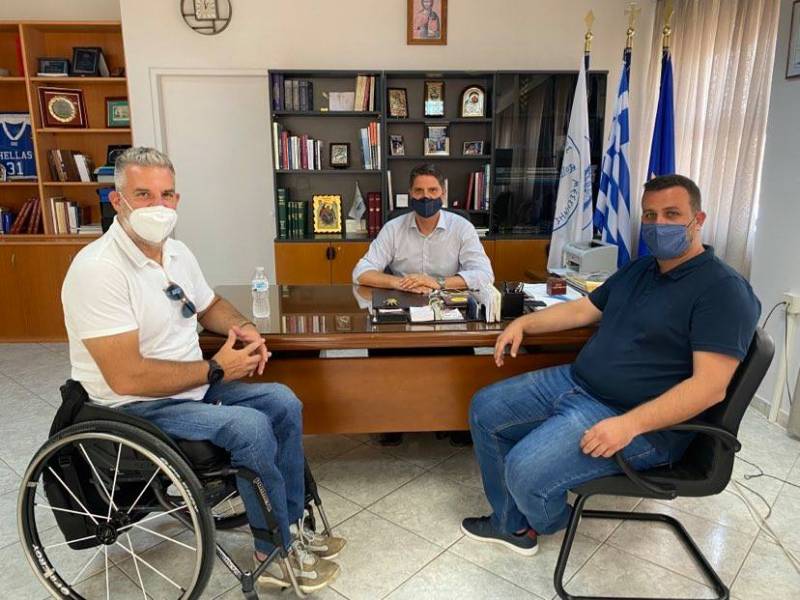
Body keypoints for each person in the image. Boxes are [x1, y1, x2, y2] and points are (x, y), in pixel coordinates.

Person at [61, 147, 344, 593]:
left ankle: (290, 526)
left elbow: (209, 306)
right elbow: (127, 377)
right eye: (143, 194)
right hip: (134, 406)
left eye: (167, 194)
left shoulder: (175, 252)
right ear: (118, 200)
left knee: (283, 401)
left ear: (177, 198)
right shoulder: (98, 270)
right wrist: (215, 369)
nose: (158, 205)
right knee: (250, 427)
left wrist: (245, 329)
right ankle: (271, 552)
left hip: (190, 389)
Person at [461, 174, 760, 555]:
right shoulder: (640, 269)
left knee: (524, 469)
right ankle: (510, 525)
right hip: (577, 382)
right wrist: (523, 323)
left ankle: (549, 520)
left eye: (672, 214)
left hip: (636, 420)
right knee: (485, 408)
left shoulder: (723, 290)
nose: (658, 224)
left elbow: (709, 387)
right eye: (649, 215)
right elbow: (583, 310)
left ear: (698, 220)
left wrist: (629, 425)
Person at [353, 163, 494, 445]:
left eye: (432, 190)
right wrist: (399, 282)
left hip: (447, 308)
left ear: (443, 193)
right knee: (386, 353)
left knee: (457, 358)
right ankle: (393, 420)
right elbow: (361, 272)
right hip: (402, 307)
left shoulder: (461, 228)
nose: (426, 197)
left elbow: (484, 275)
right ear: (410, 194)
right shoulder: (393, 228)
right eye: (419, 191)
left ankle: (455, 419)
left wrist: (437, 282)